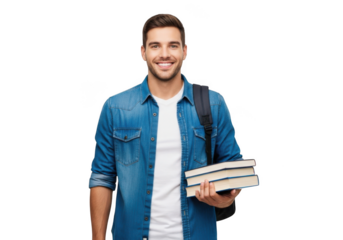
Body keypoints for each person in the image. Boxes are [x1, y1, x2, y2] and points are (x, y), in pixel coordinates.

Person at [89, 13, 244, 240]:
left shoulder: (213, 103)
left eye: (173, 45)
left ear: (184, 51)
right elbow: (102, 177)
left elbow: (235, 168)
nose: (164, 54)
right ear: (143, 53)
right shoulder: (115, 107)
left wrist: (224, 199)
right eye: (155, 46)